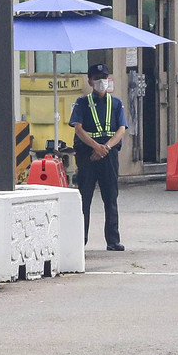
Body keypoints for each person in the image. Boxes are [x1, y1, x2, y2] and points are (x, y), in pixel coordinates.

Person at [69, 63, 128, 250]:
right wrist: (96, 147)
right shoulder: (82, 102)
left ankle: (113, 240)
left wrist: (105, 148)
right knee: (84, 198)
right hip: (87, 155)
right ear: (90, 81)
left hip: (108, 156)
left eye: (104, 78)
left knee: (110, 197)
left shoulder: (116, 103)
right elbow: (78, 128)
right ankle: (81, 239)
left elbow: (121, 129)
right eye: (97, 79)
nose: (101, 83)